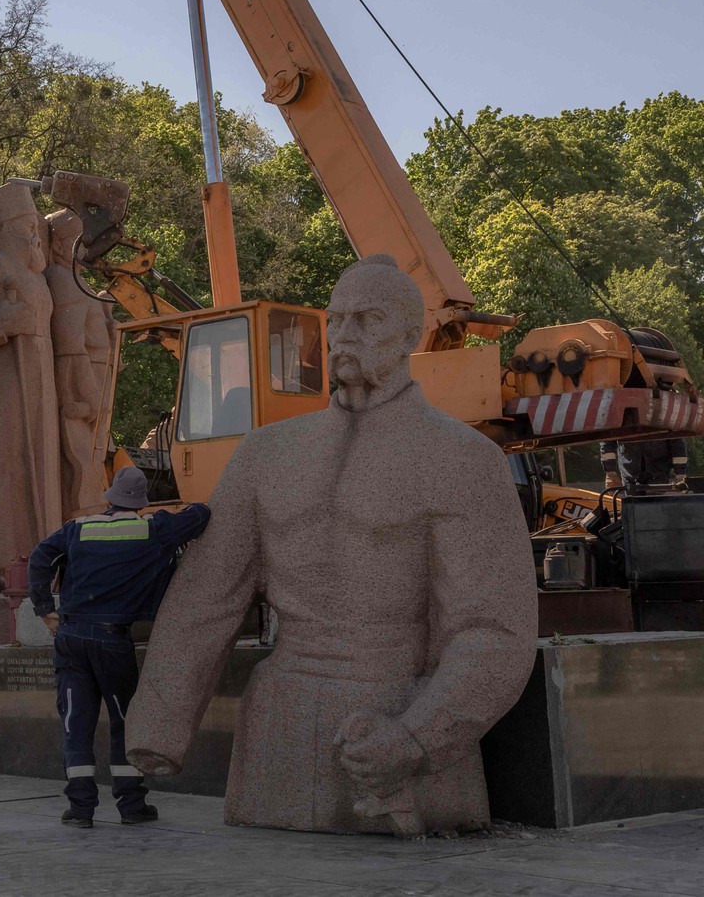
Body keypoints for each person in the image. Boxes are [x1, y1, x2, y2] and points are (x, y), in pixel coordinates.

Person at [124, 255, 538, 836]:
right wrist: (158, 728)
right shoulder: (265, 454)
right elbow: (204, 598)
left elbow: (494, 628)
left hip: (395, 731)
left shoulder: (461, 459)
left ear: (409, 335)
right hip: (277, 747)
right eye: (336, 321)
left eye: (367, 320)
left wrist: (418, 736)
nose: (344, 336)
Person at [27, 466, 211, 829]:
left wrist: (45, 611)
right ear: (140, 503)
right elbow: (202, 514)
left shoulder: (79, 528)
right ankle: (131, 805)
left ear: (111, 498)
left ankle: (80, 810)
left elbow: (39, 559)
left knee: (75, 721)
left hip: (71, 638)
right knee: (123, 723)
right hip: (112, 640)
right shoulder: (153, 530)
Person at [601, 438, 689, 494]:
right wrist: (610, 473)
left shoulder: (663, 415)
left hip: (658, 474)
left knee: (653, 508)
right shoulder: (622, 414)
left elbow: (678, 444)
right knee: (634, 510)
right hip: (630, 475)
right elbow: (607, 440)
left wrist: (680, 475)